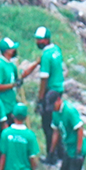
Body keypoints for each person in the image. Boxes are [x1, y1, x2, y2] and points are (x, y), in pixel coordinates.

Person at [21, 25, 64, 162]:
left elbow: (44, 79)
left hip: (50, 91)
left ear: (46, 40)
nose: (38, 43)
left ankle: (51, 156)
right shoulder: (56, 50)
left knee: (47, 125)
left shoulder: (46, 55)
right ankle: (60, 153)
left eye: (40, 40)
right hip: (59, 89)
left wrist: (40, 99)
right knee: (56, 122)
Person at [0, 104, 40, 170]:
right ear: (26, 117)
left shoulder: (6, 133)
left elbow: (3, 155)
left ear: (13, 116)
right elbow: (32, 158)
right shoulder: (30, 135)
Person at [51, 94, 86, 170]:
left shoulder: (69, 111)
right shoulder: (55, 112)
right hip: (68, 148)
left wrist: (78, 151)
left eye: (53, 105)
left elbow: (80, 129)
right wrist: (51, 151)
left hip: (76, 148)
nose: (53, 108)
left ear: (59, 100)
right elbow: (56, 131)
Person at [0, 37, 21, 114]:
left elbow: (19, 76)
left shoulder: (11, 64)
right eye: (12, 49)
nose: (14, 50)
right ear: (6, 51)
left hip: (11, 104)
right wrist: (13, 85)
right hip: (3, 105)